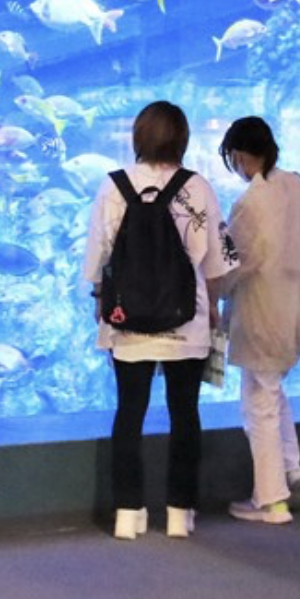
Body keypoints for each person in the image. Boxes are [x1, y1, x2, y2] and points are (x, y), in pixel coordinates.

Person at [82, 100, 235, 540]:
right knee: (183, 413)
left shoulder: (113, 187)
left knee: (129, 412)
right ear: (183, 138)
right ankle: (178, 512)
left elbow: (98, 256)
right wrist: (215, 310)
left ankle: (127, 513)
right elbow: (220, 263)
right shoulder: (198, 187)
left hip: (126, 323)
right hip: (186, 321)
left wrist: (99, 299)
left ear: (138, 137)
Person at [212, 116, 300, 525]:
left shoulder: (251, 203)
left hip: (263, 314)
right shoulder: (295, 184)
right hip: (298, 309)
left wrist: (210, 293)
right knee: (273, 391)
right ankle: (292, 469)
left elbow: (232, 260)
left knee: (257, 403)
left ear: (239, 155)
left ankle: (271, 501)